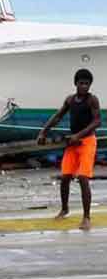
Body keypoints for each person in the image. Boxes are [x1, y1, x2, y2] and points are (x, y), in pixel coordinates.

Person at [37, 68, 101, 230]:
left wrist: (79, 135)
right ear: (76, 84)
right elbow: (58, 116)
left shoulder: (92, 100)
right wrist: (44, 131)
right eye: (81, 83)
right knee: (65, 176)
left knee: (83, 178)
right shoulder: (70, 100)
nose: (84, 87)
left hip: (87, 141)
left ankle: (86, 218)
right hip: (73, 143)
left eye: (87, 84)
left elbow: (96, 122)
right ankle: (64, 209)